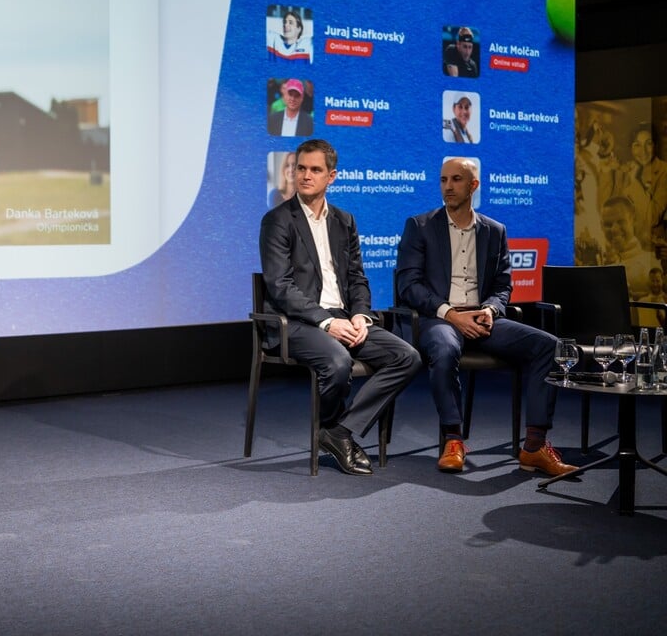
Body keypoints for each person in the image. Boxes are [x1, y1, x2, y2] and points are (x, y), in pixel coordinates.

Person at [396, 157, 578, 476]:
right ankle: (453, 439)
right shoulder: (420, 226)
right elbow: (408, 285)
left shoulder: (495, 230)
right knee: (444, 348)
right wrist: (451, 314)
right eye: (443, 180)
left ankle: (534, 446)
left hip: (481, 318)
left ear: (473, 185)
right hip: (439, 318)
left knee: (547, 346)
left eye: (456, 180)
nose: (448, 187)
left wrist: (491, 310)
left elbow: (503, 285)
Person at [259, 139, 422, 475]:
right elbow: (280, 286)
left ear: (331, 176)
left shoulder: (344, 221)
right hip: (297, 321)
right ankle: (337, 432)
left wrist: (361, 316)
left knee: (407, 357)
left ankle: (338, 432)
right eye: (301, 168)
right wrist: (326, 322)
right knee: (337, 362)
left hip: (345, 317)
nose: (305, 175)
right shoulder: (277, 220)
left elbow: (357, 278)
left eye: (315, 170)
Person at [599, 195, 662, 299]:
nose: (614, 229)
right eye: (608, 224)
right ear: (601, 226)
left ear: (634, 220)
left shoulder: (652, 263)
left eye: (620, 222)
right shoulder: (601, 265)